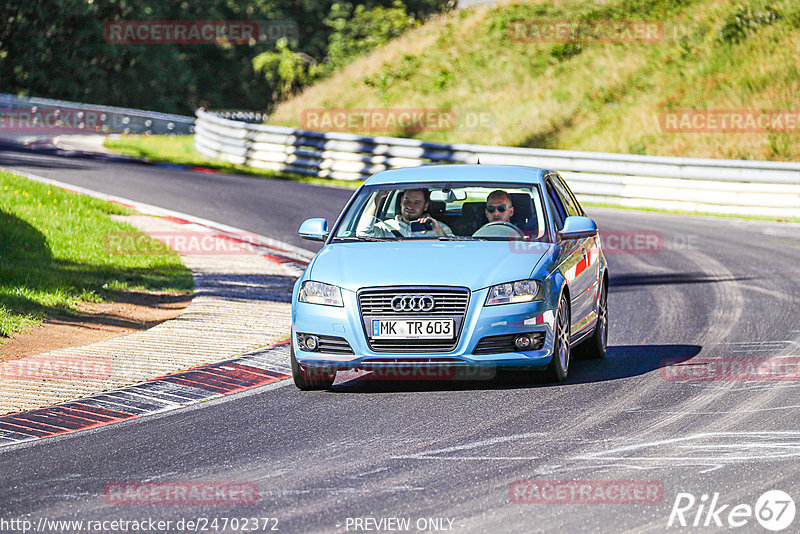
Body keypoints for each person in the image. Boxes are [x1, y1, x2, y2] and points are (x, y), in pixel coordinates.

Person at [359, 188, 453, 238]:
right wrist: (378, 197)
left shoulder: (440, 228)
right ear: (400, 202)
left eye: (417, 203)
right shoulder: (385, 227)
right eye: (406, 201)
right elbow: (363, 234)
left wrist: (438, 231)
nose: (410, 206)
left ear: (425, 206)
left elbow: (454, 251)